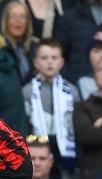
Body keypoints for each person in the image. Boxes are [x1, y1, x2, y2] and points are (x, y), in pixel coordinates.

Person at [22, 38, 79, 170]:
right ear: (36, 62)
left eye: (54, 57)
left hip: (65, 149)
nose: (49, 62)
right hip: (36, 147)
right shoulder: (27, 90)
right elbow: (25, 123)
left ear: (62, 62)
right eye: (44, 58)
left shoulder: (71, 90)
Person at [0, 0, 40, 84]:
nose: (18, 20)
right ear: (5, 21)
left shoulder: (37, 46)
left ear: (28, 22)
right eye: (12, 17)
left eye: (22, 16)